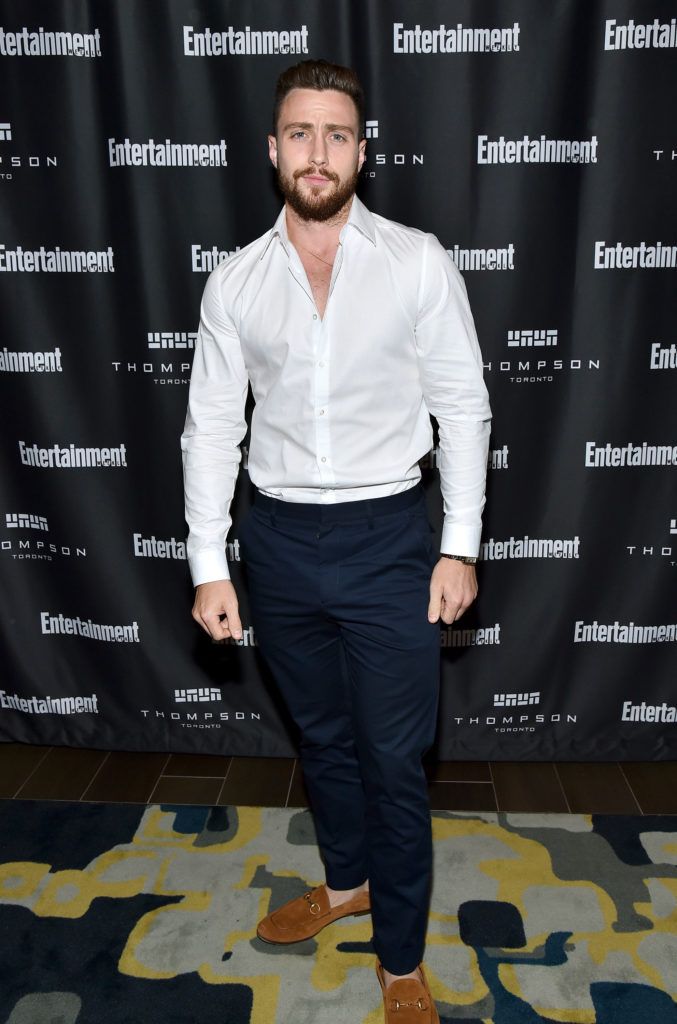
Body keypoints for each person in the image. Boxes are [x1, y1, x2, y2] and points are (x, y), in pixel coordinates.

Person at [181, 58, 491, 1024]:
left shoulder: (415, 261)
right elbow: (210, 429)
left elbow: (464, 409)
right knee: (319, 737)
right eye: (301, 134)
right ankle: (347, 882)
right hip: (275, 544)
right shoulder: (234, 283)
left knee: (393, 759)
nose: (319, 153)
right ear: (274, 150)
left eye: (338, 134)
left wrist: (459, 544)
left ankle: (399, 959)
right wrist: (207, 564)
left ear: (363, 151)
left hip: (390, 539)